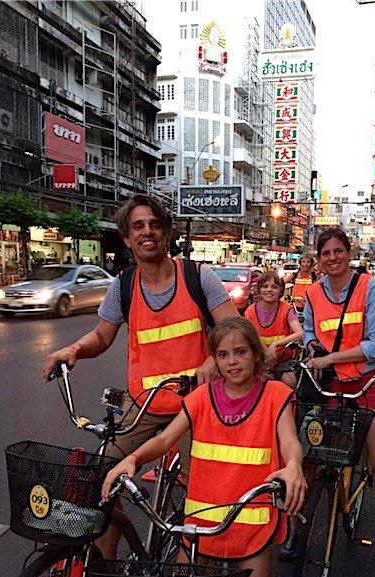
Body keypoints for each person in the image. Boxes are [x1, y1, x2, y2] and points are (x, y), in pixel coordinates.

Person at [102, 316, 307, 577]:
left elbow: (289, 441)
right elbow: (165, 439)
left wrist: (293, 466)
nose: (232, 362)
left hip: (251, 525)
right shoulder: (201, 397)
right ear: (214, 358)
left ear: (257, 355)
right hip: (200, 526)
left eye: (241, 352)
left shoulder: (276, 396)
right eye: (224, 354)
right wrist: (133, 459)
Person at [43, 193, 238, 557]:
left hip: (196, 405)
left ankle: (202, 572)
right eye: (138, 227)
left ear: (165, 233)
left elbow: (233, 325)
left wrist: (214, 357)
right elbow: (102, 335)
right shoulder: (125, 285)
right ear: (128, 239)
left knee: (207, 495)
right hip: (144, 406)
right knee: (101, 481)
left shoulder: (198, 276)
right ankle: (107, 571)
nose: (147, 232)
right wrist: (74, 350)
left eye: (154, 224)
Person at [302, 227, 375, 577]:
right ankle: (294, 529)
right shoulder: (313, 293)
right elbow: (308, 331)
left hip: (372, 382)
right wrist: (312, 348)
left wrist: (330, 356)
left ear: (349, 252)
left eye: (338, 251)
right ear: (318, 260)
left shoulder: (372, 289)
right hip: (331, 385)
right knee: (312, 459)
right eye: (325, 253)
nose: (332, 258)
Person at [244, 270, 303, 384]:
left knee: (290, 381)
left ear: (281, 290)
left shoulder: (286, 310)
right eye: (265, 286)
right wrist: (263, 352)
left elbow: (300, 333)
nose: (269, 290)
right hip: (258, 360)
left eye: (274, 287)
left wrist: (275, 345)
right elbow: (246, 336)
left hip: (282, 360)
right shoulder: (250, 311)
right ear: (259, 289)